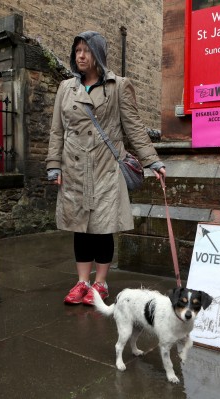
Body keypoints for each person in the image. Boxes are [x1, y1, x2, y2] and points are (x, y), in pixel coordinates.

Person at [46, 31, 166, 306]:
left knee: (103, 227)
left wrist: (152, 160)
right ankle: (82, 282)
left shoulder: (118, 86)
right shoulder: (66, 88)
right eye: (77, 50)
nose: (80, 56)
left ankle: (100, 284)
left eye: (86, 50)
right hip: (74, 168)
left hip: (105, 167)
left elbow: (133, 127)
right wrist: (54, 165)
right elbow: (57, 130)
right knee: (80, 228)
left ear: (98, 54)